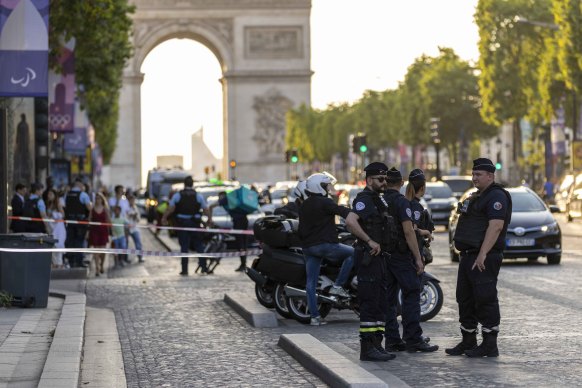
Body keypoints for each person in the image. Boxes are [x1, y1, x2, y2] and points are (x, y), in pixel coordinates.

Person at [447, 158, 512, 358]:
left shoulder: (496, 196)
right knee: (465, 298)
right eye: (473, 174)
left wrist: (483, 254)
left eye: (479, 175)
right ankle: (468, 341)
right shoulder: (477, 196)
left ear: (490, 176)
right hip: (468, 256)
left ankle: (489, 344)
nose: (474, 178)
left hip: (484, 256)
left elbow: (496, 226)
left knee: (485, 298)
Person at [382, 167, 438, 353]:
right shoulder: (401, 203)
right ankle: (413, 339)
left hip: (382, 255)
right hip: (400, 255)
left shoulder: (379, 200)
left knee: (389, 299)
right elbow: (408, 231)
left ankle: (392, 340)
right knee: (411, 294)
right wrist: (417, 257)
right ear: (400, 183)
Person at [349, 162, 397, 362]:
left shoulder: (379, 200)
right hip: (369, 258)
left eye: (386, 179)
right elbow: (350, 221)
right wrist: (369, 241)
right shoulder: (364, 199)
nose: (384, 182)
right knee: (369, 303)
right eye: (380, 179)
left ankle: (377, 344)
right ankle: (367, 348)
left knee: (380, 303)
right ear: (369, 180)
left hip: (381, 259)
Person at [298, 172, 356, 326]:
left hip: (308, 248)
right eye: (326, 185)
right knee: (353, 253)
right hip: (325, 245)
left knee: (310, 283)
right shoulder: (325, 202)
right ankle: (337, 286)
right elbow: (341, 211)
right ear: (320, 187)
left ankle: (315, 317)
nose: (329, 188)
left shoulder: (304, 204)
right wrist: (356, 213)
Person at [162, 175, 212, 275]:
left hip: (182, 224)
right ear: (192, 184)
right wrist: (209, 219)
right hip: (195, 223)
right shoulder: (198, 195)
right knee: (199, 245)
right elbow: (206, 209)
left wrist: (164, 217)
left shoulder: (178, 195)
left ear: (184, 184)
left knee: (184, 247)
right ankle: (204, 267)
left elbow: (171, 208)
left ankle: (185, 270)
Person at [210, 191, 249, 271]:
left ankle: (243, 264)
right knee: (243, 243)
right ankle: (243, 263)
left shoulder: (225, 199)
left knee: (240, 243)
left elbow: (211, 206)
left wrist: (209, 219)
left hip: (238, 222)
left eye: (219, 197)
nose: (219, 199)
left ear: (222, 196)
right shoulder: (231, 199)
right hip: (244, 220)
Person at [405, 169, 435, 265]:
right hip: (414, 251)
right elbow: (413, 229)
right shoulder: (416, 206)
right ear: (422, 188)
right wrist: (426, 232)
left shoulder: (407, 203)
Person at [64, 178, 93, 268]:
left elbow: (65, 206)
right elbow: (89, 208)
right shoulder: (83, 194)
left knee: (71, 241)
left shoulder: (67, 195)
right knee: (79, 241)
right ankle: (79, 261)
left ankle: (71, 261)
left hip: (70, 221)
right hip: (80, 221)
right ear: (80, 185)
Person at [88, 193, 111, 275]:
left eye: (99, 198)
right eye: (96, 198)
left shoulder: (105, 209)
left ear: (102, 199)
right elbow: (89, 219)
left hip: (103, 231)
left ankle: (101, 265)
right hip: (94, 231)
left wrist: (110, 230)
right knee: (96, 250)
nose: (98, 200)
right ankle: (97, 268)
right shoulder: (92, 209)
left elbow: (108, 220)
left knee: (103, 250)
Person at [45, 188, 66, 269]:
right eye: (48, 194)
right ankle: (54, 263)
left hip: (58, 228)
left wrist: (56, 216)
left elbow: (62, 215)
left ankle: (59, 263)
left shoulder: (58, 204)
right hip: (51, 227)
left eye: (51, 194)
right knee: (52, 246)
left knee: (59, 245)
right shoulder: (48, 204)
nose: (49, 196)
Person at [126, 194, 144, 263]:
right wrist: (130, 215)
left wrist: (135, 216)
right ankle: (126, 258)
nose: (132, 202)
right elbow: (124, 217)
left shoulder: (135, 208)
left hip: (135, 228)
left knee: (138, 242)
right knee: (126, 243)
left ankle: (140, 256)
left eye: (133, 200)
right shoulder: (126, 207)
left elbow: (138, 219)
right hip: (127, 228)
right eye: (131, 200)